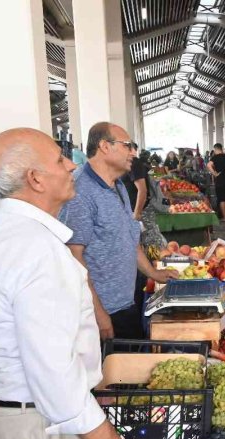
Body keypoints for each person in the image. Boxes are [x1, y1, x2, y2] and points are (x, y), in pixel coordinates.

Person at [0, 128, 135, 439]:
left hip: (3, 417)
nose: (71, 164)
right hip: (40, 426)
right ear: (35, 179)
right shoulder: (35, 249)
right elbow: (51, 366)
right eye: (58, 159)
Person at [61, 122, 178, 341]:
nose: (133, 152)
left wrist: (152, 273)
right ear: (105, 146)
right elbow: (73, 258)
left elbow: (129, 239)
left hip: (126, 300)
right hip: (105, 309)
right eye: (127, 146)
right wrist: (98, 313)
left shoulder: (118, 185)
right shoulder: (81, 192)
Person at [207, 143, 225, 222]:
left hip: (220, 181)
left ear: (215, 149)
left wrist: (215, 174)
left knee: (221, 200)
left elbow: (208, 165)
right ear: (221, 148)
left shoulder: (215, 157)